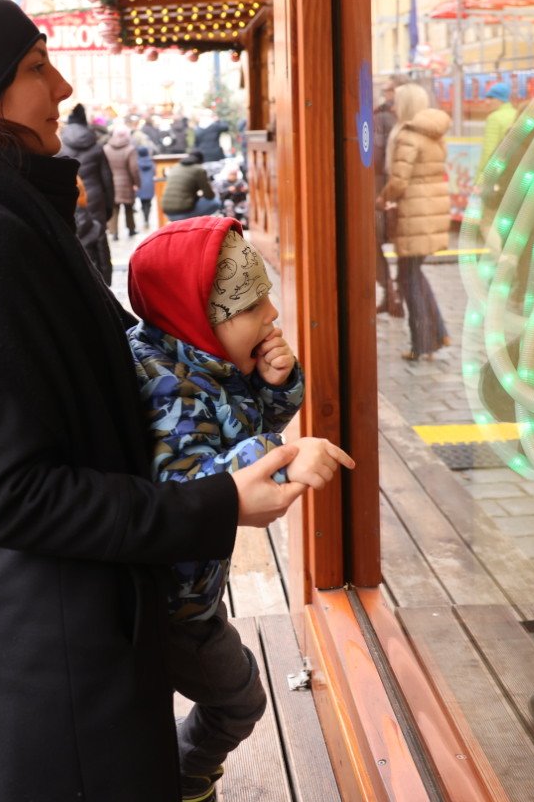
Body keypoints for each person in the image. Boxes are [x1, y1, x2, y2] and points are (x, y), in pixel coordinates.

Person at [0, 0, 308, 801]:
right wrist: (216, 503)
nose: (61, 87)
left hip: (79, 618)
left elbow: (113, 394)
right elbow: (14, 497)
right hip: (56, 653)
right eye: (36, 67)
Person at [126, 218, 353, 800]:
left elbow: (229, 433)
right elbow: (192, 491)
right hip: (174, 606)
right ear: (200, 318)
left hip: (187, 592)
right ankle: (186, 776)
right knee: (240, 700)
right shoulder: (168, 388)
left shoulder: (197, 365)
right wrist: (282, 453)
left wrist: (273, 387)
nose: (272, 314)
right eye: (251, 306)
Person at [381, 82, 451, 360]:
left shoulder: (408, 135)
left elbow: (399, 181)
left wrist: (381, 199)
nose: (393, 107)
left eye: (397, 102)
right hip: (430, 210)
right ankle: (437, 336)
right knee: (412, 274)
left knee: (409, 277)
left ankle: (423, 343)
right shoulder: (432, 133)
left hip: (414, 213)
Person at [60, 103, 113, 278]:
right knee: (99, 237)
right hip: (95, 197)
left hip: (72, 197)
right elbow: (107, 178)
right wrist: (109, 206)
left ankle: (82, 277)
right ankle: (104, 278)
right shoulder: (96, 146)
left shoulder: (60, 146)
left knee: (76, 236)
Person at [372, 78, 403, 318]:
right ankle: (392, 295)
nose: (386, 94)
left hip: (382, 189)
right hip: (393, 190)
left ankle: (391, 293)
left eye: (389, 90)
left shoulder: (382, 118)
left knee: (373, 242)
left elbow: (375, 156)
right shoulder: (401, 118)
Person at [104, 123, 142, 239]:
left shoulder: (106, 148)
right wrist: (137, 183)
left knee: (114, 208)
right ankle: (131, 229)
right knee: (129, 207)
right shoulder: (130, 149)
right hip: (127, 183)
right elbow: (134, 169)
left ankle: (114, 232)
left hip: (111, 183)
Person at [162, 150, 221, 222]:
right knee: (215, 202)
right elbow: (209, 195)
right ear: (201, 160)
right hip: (182, 212)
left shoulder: (176, 167)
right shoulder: (199, 169)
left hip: (167, 212)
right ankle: (192, 223)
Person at [477, 80, 519, 179]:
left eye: (491, 98)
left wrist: (481, 177)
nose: (487, 102)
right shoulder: (516, 114)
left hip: (497, 173)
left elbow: (489, 151)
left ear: (501, 99)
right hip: (514, 172)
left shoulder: (494, 118)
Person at [136, 137, 157, 227]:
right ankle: (147, 219)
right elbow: (155, 172)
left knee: (143, 203)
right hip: (149, 186)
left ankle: (145, 218)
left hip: (140, 185)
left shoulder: (136, 163)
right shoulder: (152, 163)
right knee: (148, 203)